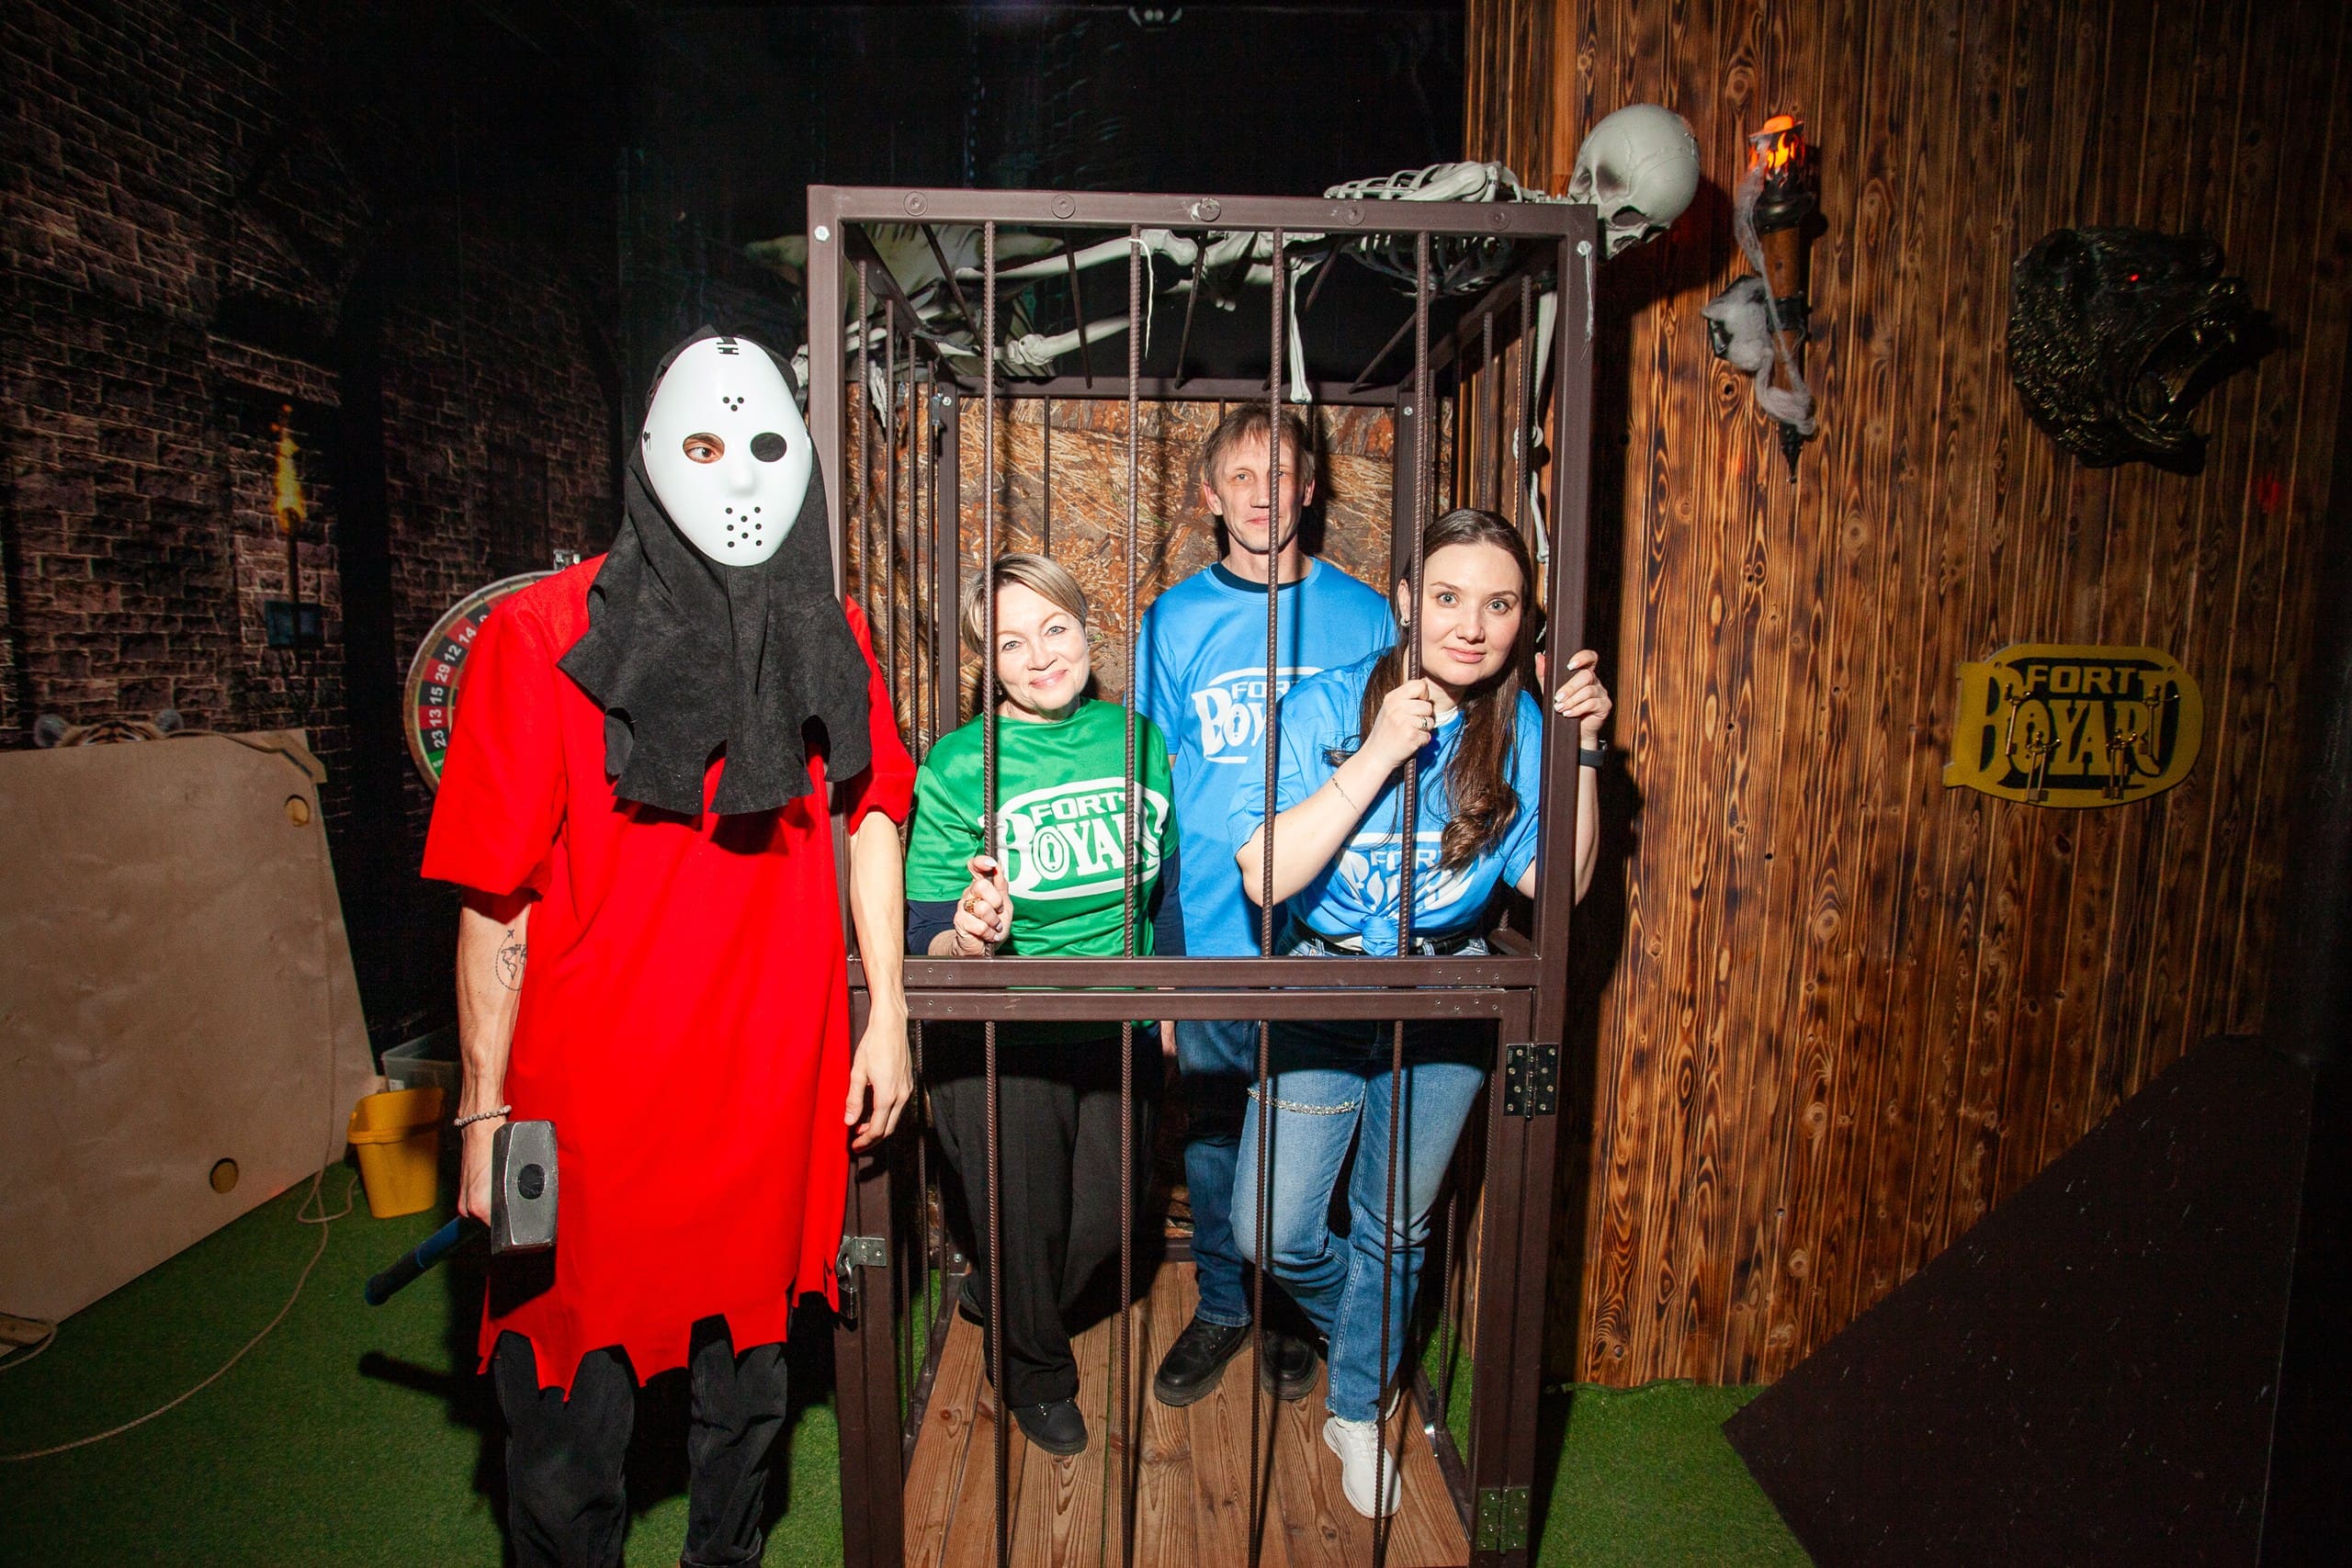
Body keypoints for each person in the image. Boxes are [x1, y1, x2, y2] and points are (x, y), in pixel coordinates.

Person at [424, 330, 917, 1568]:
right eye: (702, 444)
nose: (738, 476)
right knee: (560, 1424)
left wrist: (891, 1012)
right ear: (647, 455)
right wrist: (482, 1114)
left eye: (763, 445)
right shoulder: (537, 634)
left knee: (748, 1403)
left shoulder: (832, 631)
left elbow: (874, 808)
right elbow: (494, 897)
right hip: (583, 1105)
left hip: (768, 1086)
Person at [1229, 507, 1611, 1518]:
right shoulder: (1323, 704)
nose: (1471, 627)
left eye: (1500, 604)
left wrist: (1582, 753)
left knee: (1395, 1227)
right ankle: (1375, 1330)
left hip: (1447, 995)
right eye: (1447, 597)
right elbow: (1265, 876)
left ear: (1525, 619)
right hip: (1324, 985)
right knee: (1270, 1228)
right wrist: (1379, 751)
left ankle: (1357, 1405)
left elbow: (1557, 889)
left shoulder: (1521, 730)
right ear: (1406, 601)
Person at [1133, 405, 1396, 1410]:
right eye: (1237, 476)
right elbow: (1152, 784)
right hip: (1208, 918)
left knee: (1309, 1120)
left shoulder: (1366, 618)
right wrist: (1158, 948)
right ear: (1210, 495)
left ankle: (1287, 1302)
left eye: (1276, 473)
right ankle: (1222, 1301)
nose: (1258, 494)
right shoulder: (1174, 620)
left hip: (1329, 926)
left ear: (1308, 488)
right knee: (1210, 1123)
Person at [905, 553, 1183, 1456]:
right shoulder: (959, 764)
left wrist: (1171, 999)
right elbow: (922, 931)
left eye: (1054, 628)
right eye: (1011, 643)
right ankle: (1032, 1371)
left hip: (1116, 1022)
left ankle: (1006, 1290)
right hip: (1003, 1032)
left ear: (1084, 628)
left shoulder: (1136, 738)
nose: (1040, 657)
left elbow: (1166, 887)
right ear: (987, 661)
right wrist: (968, 934)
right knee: (1027, 1222)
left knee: (1109, 1221)